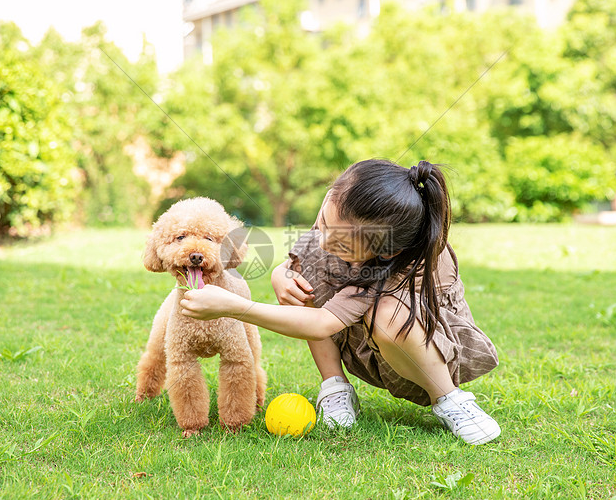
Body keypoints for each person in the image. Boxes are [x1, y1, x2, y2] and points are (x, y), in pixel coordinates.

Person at [180, 159, 501, 445]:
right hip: (366, 345)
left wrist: (233, 306)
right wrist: (282, 272)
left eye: (338, 240)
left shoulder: (401, 264)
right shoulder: (343, 222)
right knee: (304, 274)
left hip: (424, 353)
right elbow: (309, 257)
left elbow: (323, 324)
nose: (321, 239)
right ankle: (335, 386)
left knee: (387, 314)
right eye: (322, 222)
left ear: (384, 250)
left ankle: (449, 398)